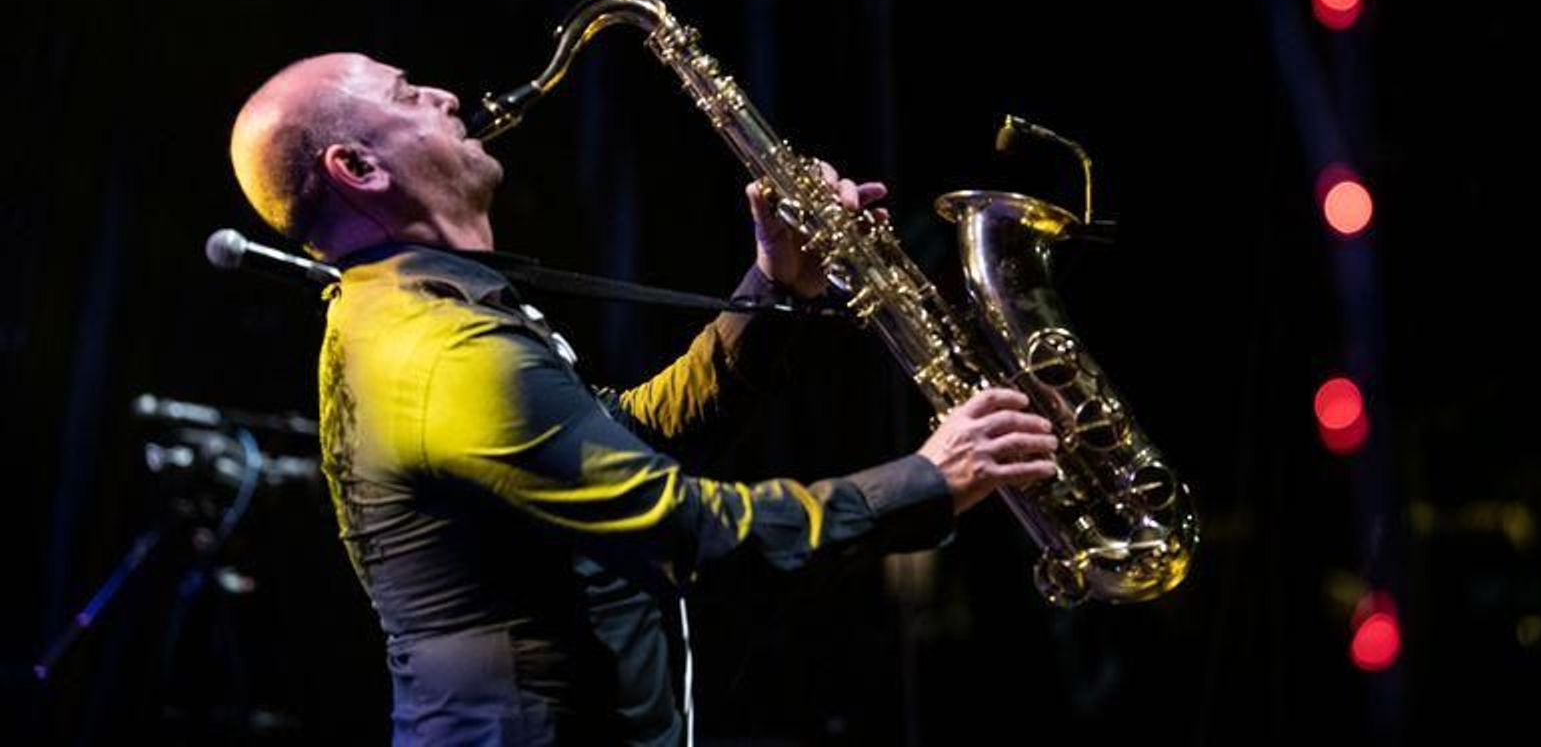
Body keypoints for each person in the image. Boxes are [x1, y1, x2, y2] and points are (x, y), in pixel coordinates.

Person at [228, 52, 1058, 745]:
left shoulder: (437, 314)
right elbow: (684, 531)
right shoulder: (439, 353)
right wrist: (928, 479)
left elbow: (627, 440)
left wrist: (776, 287)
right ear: (359, 168)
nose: (445, 96)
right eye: (410, 95)